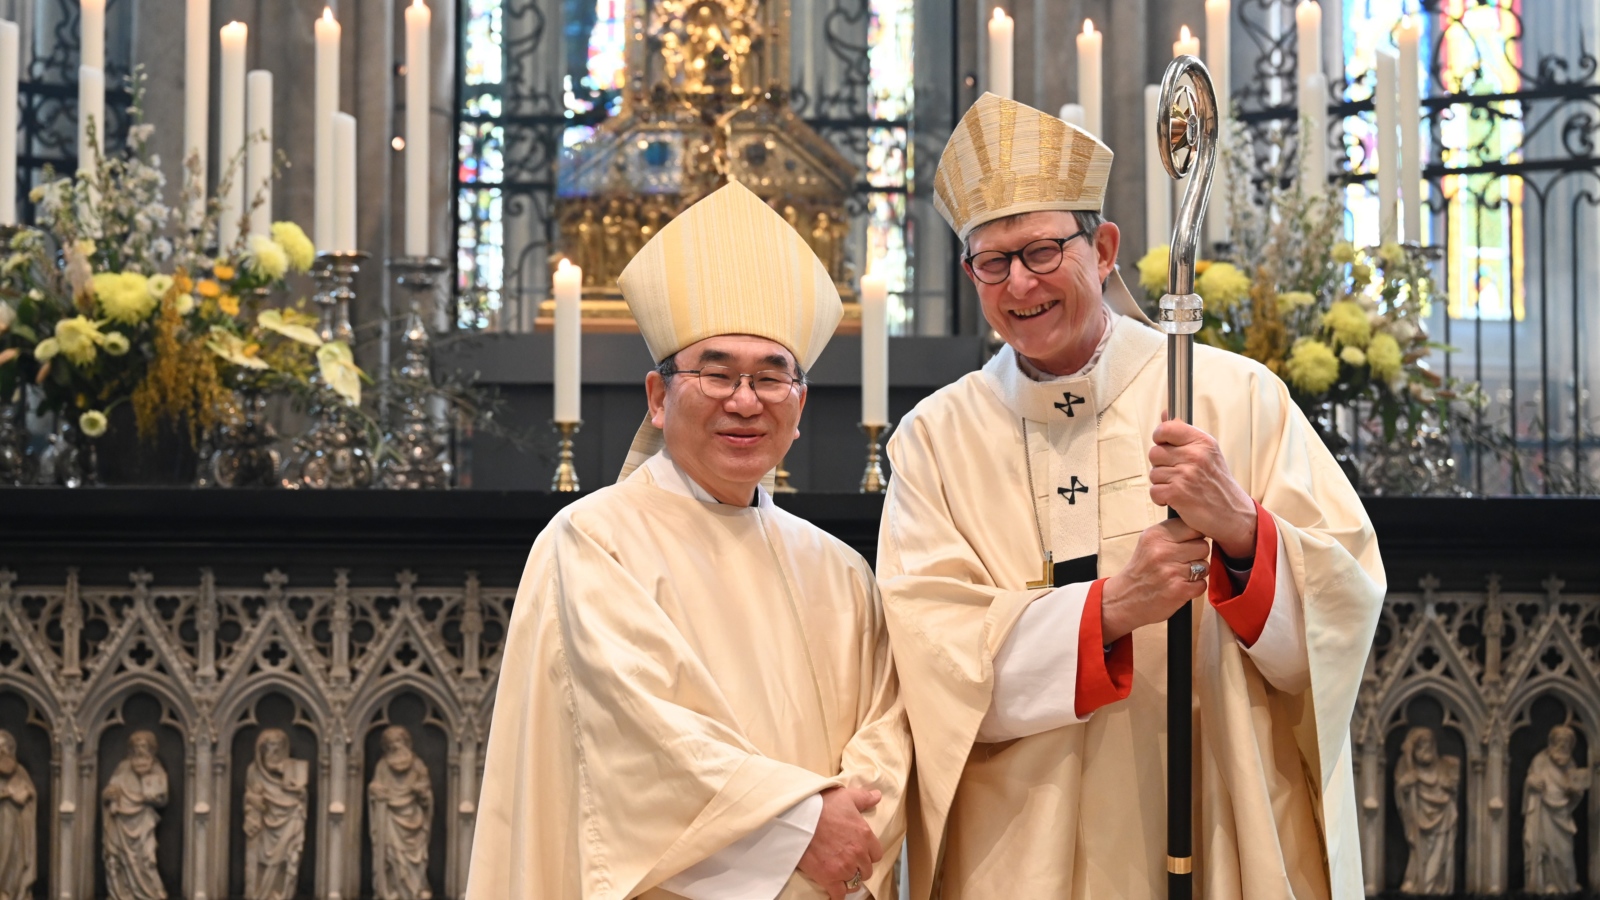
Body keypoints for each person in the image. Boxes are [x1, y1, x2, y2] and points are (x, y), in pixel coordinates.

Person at [877, 93, 1385, 898]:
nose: (1020, 284)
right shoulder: (937, 440)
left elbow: (1345, 606)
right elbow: (933, 655)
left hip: (1213, 806)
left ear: (1104, 247)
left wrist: (1244, 530)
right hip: (1020, 846)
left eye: (1044, 252)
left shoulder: (1235, 398)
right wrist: (1110, 610)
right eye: (991, 261)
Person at [467, 181, 911, 900]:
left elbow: (890, 731)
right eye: (717, 372)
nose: (745, 401)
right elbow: (632, 743)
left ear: (799, 406)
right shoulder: (592, 542)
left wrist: (842, 843)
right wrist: (801, 829)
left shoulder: (838, 571)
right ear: (657, 395)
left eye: (772, 377)